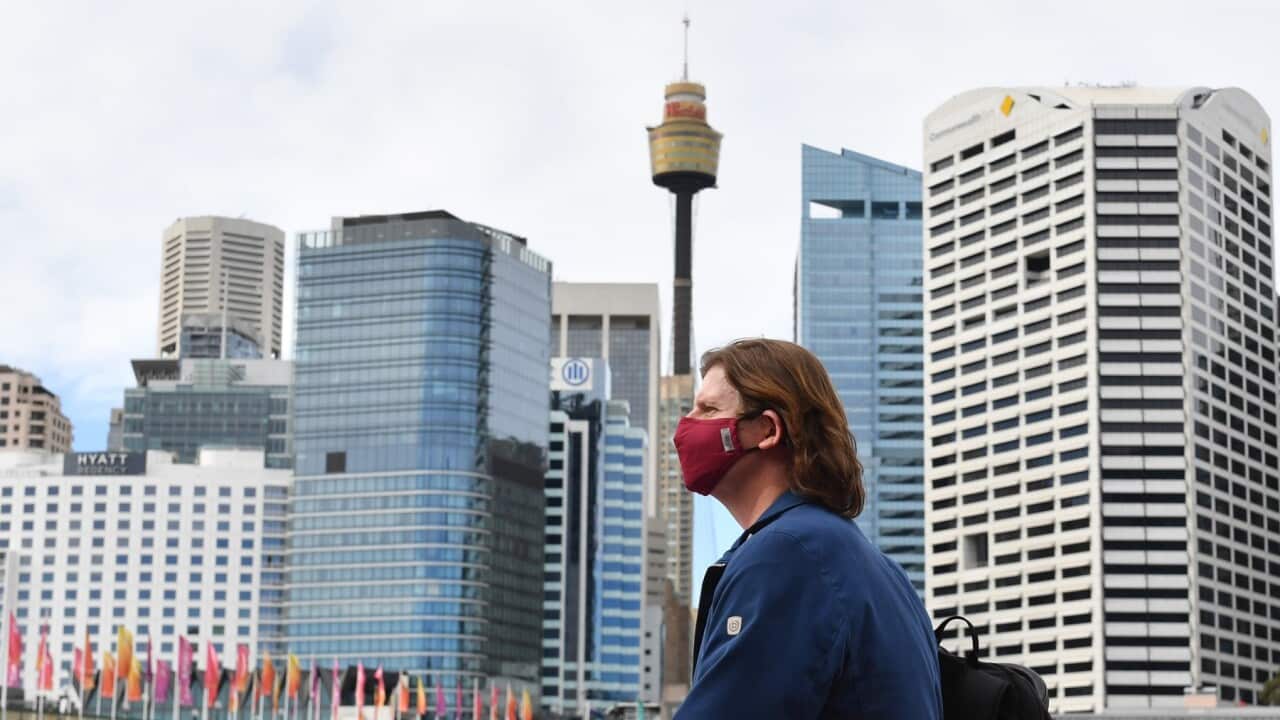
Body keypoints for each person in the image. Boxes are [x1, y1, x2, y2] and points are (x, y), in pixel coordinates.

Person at [674, 339, 942, 719]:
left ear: (767, 430)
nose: (686, 426)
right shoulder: (872, 565)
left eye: (708, 409)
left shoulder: (787, 554)